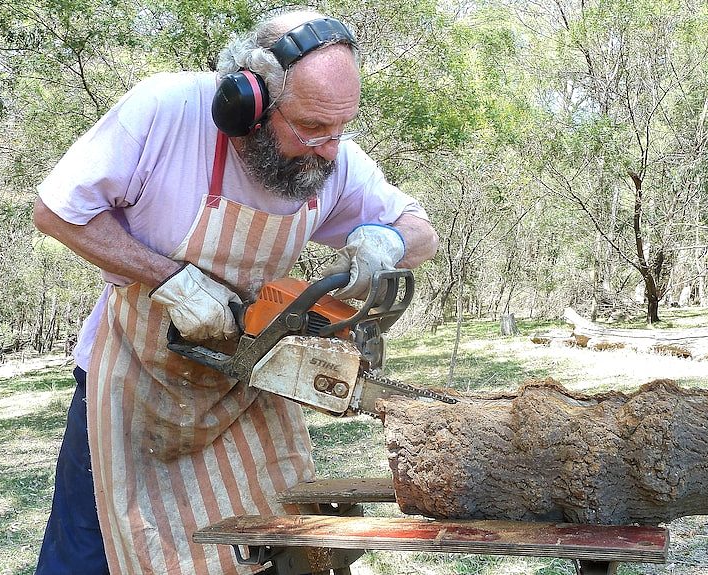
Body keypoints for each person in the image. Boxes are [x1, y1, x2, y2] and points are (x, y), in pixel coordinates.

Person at [32, 9, 438, 575]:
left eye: (339, 128)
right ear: (248, 103)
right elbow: (58, 210)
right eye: (311, 129)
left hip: (247, 384)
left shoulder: (333, 158)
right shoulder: (166, 114)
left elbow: (423, 232)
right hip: (134, 378)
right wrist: (167, 278)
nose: (328, 149)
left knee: (280, 550)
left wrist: (387, 243)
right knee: (91, 549)